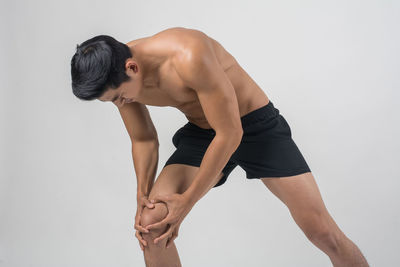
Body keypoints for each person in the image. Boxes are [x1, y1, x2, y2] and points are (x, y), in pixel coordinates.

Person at [70, 27, 369, 267]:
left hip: (252, 126)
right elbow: (143, 139)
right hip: (203, 132)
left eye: (119, 97)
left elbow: (230, 132)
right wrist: (141, 195)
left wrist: (186, 202)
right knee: (152, 223)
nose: (121, 104)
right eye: (113, 101)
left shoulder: (187, 55)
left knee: (323, 233)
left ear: (132, 67)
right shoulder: (118, 76)